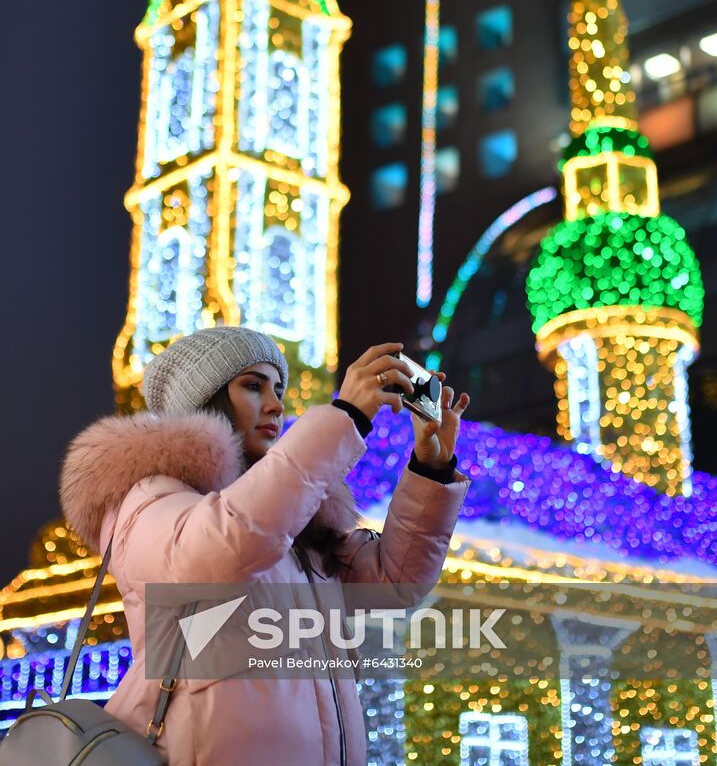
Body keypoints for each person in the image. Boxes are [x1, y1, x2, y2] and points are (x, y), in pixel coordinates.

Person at [60, 327, 471, 766]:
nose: (276, 404)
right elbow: (222, 548)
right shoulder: (150, 498)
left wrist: (432, 466)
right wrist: (346, 417)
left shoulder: (296, 518)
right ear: (204, 399)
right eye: (253, 386)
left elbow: (394, 582)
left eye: (278, 389)